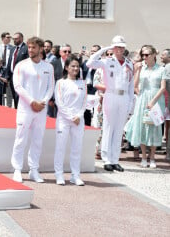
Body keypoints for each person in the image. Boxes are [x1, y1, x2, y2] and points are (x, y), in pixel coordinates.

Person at [86, 35, 134, 172]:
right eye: (117, 46)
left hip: (124, 96)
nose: (119, 49)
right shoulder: (106, 61)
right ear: (113, 47)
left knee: (119, 130)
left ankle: (115, 160)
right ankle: (106, 159)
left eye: (122, 47)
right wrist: (105, 49)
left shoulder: (129, 63)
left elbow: (131, 86)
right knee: (108, 127)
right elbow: (90, 63)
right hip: (111, 95)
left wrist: (131, 102)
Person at [10, 36, 55, 183]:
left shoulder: (48, 67)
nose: (30, 50)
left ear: (41, 49)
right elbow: (17, 86)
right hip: (25, 108)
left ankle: (33, 169)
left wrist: (42, 102)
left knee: (37, 139)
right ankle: (17, 169)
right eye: (29, 47)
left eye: (33, 47)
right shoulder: (21, 65)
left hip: (41, 109)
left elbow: (50, 87)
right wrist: (31, 101)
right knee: (20, 138)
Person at [125, 45, 165, 169]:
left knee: (153, 128)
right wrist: (137, 70)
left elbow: (162, 87)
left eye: (147, 55)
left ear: (154, 55)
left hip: (156, 99)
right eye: (143, 55)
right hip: (142, 99)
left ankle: (152, 157)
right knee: (142, 127)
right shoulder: (142, 68)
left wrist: (153, 101)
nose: (144, 57)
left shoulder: (161, 69)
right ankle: (143, 157)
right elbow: (136, 86)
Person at [53, 56, 87, 186]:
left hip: (79, 120)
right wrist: (70, 116)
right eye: (72, 66)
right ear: (66, 67)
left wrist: (79, 115)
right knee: (60, 147)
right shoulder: (60, 83)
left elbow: (84, 102)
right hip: (64, 119)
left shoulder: (82, 83)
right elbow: (59, 102)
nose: (75, 68)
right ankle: (59, 174)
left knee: (76, 148)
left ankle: (75, 175)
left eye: (77, 66)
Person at [6, 32, 28, 108]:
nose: (14, 40)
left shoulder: (26, 48)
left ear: (21, 38)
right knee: (14, 96)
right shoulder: (13, 49)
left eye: (16, 39)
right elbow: (9, 62)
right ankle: (16, 110)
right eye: (13, 39)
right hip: (12, 76)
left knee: (19, 96)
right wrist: (7, 76)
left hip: (21, 77)